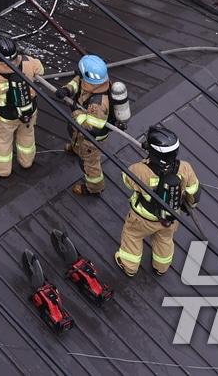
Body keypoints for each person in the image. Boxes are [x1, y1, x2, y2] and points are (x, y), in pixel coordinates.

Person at [115, 125, 200, 277]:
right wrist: (190, 205)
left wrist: (144, 163)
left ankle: (129, 266)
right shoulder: (185, 168)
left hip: (143, 218)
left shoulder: (139, 170)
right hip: (172, 217)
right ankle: (161, 267)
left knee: (132, 236)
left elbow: (127, 180)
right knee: (165, 239)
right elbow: (194, 191)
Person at [0, 34, 44, 178]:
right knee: (27, 135)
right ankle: (26, 162)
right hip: (29, 111)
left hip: (6, 116)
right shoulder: (28, 62)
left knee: (2, 141)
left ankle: (2, 170)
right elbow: (40, 70)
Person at [63, 54, 111, 196]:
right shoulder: (92, 83)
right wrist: (67, 90)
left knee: (90, 165)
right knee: (75, 137)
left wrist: (76, 112)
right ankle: (75, 148)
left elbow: (91, 126)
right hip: (80, 135)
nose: (79, 75)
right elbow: (77, 82)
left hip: (91, 141)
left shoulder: (98, 105)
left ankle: (94, 188)